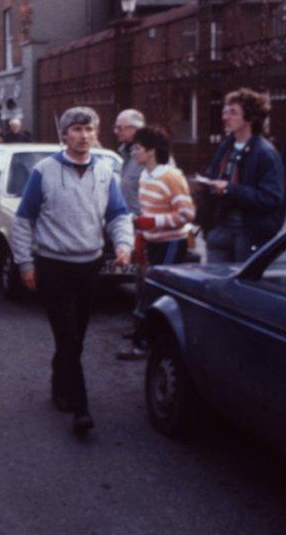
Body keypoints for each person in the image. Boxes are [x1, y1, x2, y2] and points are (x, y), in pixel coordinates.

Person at [10, 106, 133, 436]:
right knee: (68, 335)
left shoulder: (106, 172)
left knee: (74, 337)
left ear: (96, 134)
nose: (83, 135)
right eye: (76, 129)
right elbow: (23, 221)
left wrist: (123, 245)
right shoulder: (44, 171)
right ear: (64, 135)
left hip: (89, 265)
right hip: (53, 266)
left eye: (89, 129)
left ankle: (59, 380)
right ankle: (81, 408)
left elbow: (119, 214)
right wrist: (25, 263)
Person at [117, 125, 195, 361]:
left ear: (151, 151)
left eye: (138, 148)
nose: (133, 153)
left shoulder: (171, 176)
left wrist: (152, 221)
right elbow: (146, 214)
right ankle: (149, 340)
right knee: (147, 291)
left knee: (156, 292)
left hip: (172, 243)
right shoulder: (145, 175)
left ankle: (146, 345)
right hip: (152, 243)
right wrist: (141, 231)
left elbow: (187, 214)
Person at [199, 88, 285, 262]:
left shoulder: (265, 153)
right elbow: (214, 175)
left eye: (233, 112)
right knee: (215, 284)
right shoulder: (225, 147)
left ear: (250, 118)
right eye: (225, 111)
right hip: (221, 227)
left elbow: (271, 198)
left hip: (248, 232)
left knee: (240, 284)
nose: (225, 117)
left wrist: (231, 189)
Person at [114, 109, 147, 214]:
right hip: (127, 222)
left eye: (120, 128)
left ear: (135, 129)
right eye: (115, 127)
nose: (116, 131)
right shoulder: (124, 153)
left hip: (145, 223)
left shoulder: (151, 155)